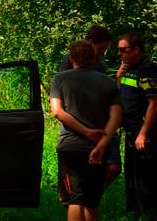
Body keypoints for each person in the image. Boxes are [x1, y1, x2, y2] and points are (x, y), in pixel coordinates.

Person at [50, 39, 122, 221]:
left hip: (70, 147)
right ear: (94, 58)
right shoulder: (109, 83)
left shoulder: (60, 79)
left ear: (71, 57)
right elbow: (115, 118)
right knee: (91, 201)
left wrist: (85, 131)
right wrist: (101, 145)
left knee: (75, 199)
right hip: (98, 147)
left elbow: (57, 112)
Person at [59, 26, 122, 189]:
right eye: (101, 48)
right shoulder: (68, 65)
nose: (101, 53)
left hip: (103, 124)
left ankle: (92, 195)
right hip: (79, 127)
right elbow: (61, 104)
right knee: (82, 176)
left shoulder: (99, 62)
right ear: (90, 42)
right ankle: (83, 196)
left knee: (113, 167)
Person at [116, 32, 157, 218]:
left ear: (137, 50)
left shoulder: (147, 70)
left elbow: (154, 104)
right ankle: (135, 214)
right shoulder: (129, 70)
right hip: (131, 133)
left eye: (123, 50)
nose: (120, 54)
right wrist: (118, 76)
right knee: (132, 179)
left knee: (146, 182)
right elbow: (123, 95)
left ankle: (148, 214)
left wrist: (143, 133)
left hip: (145, 135)